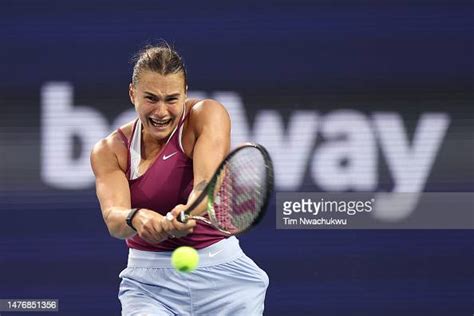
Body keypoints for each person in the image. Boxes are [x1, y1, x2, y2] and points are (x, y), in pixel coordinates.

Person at [90, 42, 269, 315]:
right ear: (132, 93)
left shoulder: (207, 115)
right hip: (148, 285)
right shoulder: (109, 150)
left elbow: (206, 183)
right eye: (150, 98)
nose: (161, 112)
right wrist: (136, 217)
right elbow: (114, 219)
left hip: (224, 278)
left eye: (172, 99)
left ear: (185, 94)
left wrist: (185, 211)